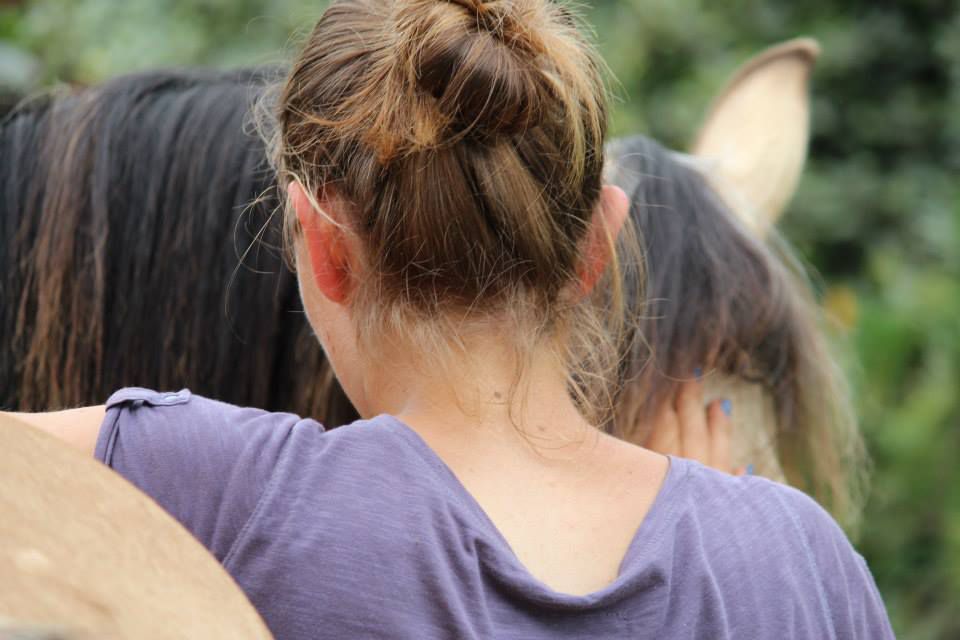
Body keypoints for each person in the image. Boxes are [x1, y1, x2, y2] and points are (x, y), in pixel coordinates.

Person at [9, 1, 892, 637]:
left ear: (323, 247)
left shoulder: (210, 480)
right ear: (600, 245)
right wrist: (738, 535)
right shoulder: (805, 562)